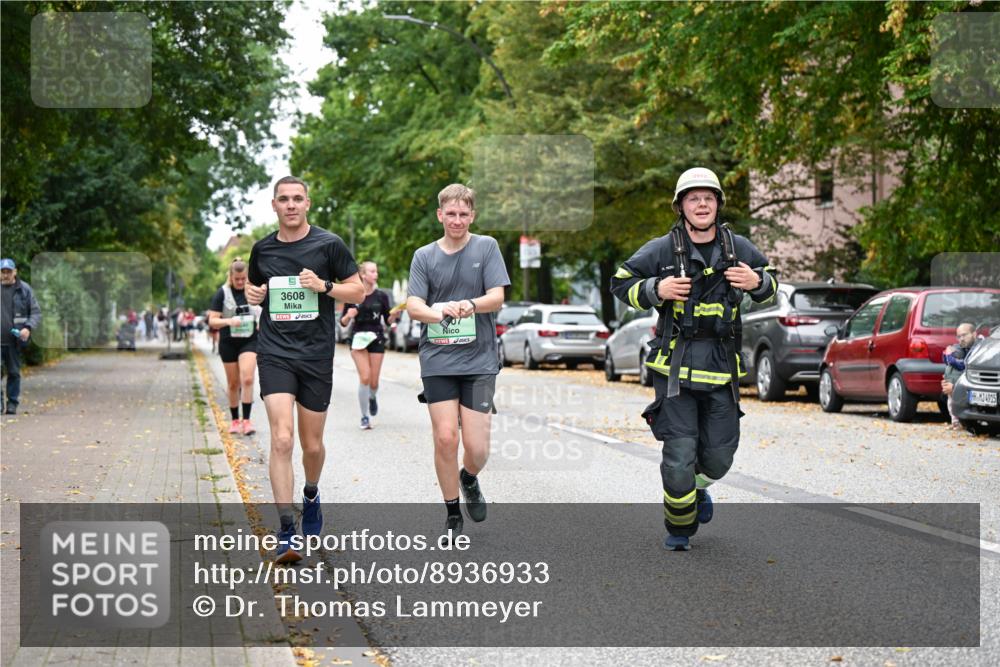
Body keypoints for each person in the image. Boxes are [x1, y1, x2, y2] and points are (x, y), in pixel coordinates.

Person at [611, 167, 777, 551]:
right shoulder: (662, 249)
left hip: (722, 367)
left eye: (708, 198)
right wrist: (657, 288)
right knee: (680, 455)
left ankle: (698, 488)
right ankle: (680, 528)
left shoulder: (738, 247)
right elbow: (621, 282)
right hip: (675, 369)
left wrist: (758, 283)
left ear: (717, 204)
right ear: (681, 206)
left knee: (719, 458)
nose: (701, 204)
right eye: (693, 198)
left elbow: (771, 285)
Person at [245, 176, 364, 564]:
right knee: (281, 439)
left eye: (298, 198)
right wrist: (254, 294)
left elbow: (358, 290)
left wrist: (324, 286)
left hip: (315, 356)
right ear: (274, 205)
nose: (291, 205)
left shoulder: (329, 244)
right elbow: (253, 288)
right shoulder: (262, 249)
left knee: (311, 446)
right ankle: (285, 532)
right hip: (275, 352)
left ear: (308, 203)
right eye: (284, 199)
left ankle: (311, 493)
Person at [406, 184, 510, 539]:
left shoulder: (487, 247)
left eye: (464, 214)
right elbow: (414, 305)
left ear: (472, 216)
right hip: (438, 359)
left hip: (479, 360)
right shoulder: (424, 256)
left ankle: (468, 477)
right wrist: (437, 315)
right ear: (440, 215)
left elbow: (497, 296)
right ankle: (452, 511)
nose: (457, 220)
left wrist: (471, 304)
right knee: (446, 437)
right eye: (451, 214)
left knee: (477, 448)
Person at [208, 258, 261, 436]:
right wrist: (229, 321)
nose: (240, 282)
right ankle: (234, 420)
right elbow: (213, 321)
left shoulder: (253, 291)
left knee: (247, 379)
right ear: (230, 277)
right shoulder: (222, 293)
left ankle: (247, 420)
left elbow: (263, 311)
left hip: (249, 340)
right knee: (233, 384)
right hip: (228, 341)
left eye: (243, 278)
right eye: (237, 279)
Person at [340, 261, 397, 430]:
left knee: (373, 382)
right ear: (363, 275)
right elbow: (342, 322)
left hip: (376, 338)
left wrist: (394, 315)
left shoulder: (382, 296)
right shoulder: (353, 295)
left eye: (376, 272)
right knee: (364, 377)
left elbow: (387, 320)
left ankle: (372, 396)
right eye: (372, 271)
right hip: (358, 339)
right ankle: (364, 417)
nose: (376, 274)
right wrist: (349, 316)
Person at [1, 258, 42, 415]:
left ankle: (12, 403)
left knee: (13, 372)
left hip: (14, 341)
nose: (5, 275)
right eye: (3, 272)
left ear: (15, 272)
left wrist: (28, 328)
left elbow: (36, 312)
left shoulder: (24, 289)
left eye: (8, 272)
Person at [941, 322, 977, 430]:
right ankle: (956, 422)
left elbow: (966, 368)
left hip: (971, 386)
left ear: (974, 334)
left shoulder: (978, 349)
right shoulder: (960, 349)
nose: (961, 339)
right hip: (955, 383)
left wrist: (955, 387)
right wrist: (947, 354)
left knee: (953, 394)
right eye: (959, 336)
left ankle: (962, 422)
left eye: (964, 335)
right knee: (950, 398)